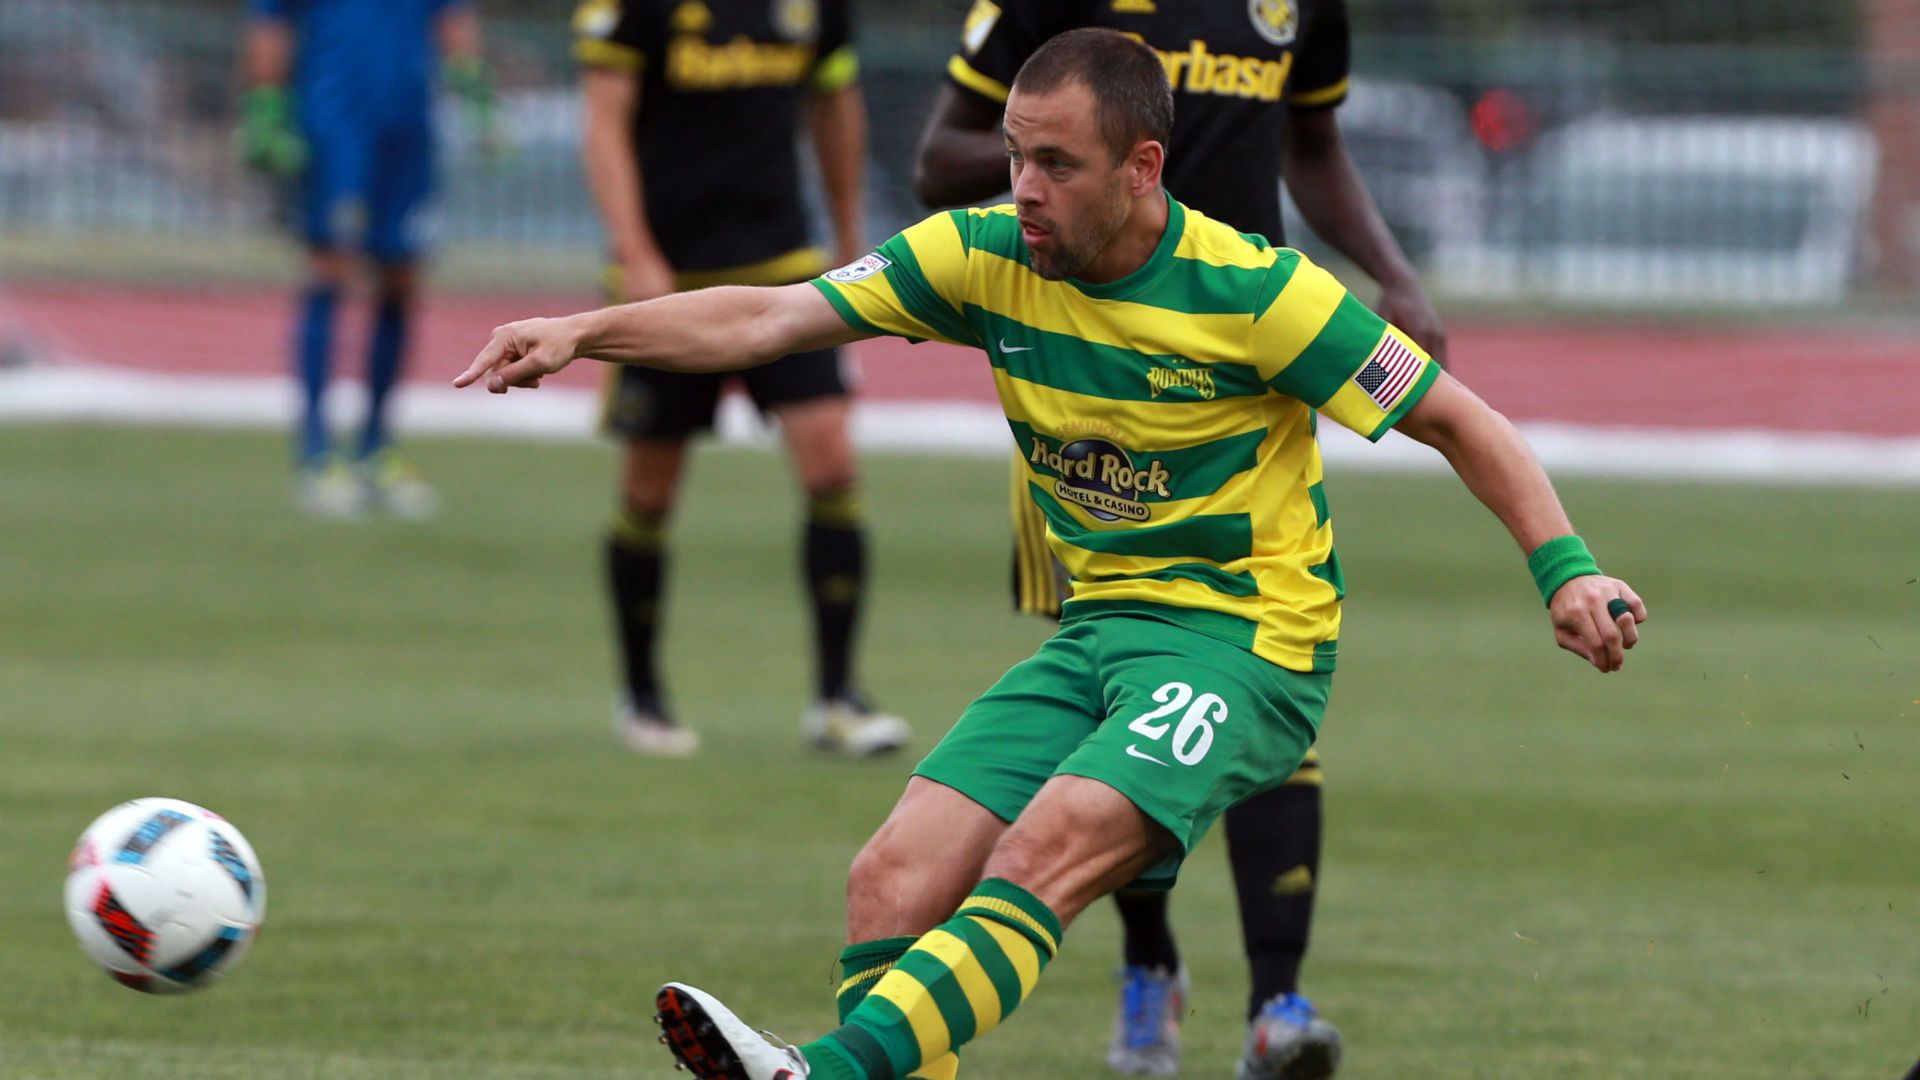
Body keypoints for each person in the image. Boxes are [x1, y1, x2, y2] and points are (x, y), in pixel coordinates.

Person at [454, 29, 1647, 1080]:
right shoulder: (984, 254)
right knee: (891, 880)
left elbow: (1458, 418)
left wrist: (1567, 570)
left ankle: (821, 1074)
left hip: (1250, 645)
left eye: (1057, 165)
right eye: (1017, 156)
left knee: (1046, 848)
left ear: (1142, 170)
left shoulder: (1259, 293)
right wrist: (584, 330)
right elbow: (770, 314)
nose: (1024, 187)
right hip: (1100, 633)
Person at [911, 0, 1446, 1073]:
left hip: (1240, 374)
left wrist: (1393, 270)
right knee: (1120, 695)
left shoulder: (1299, 9)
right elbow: (937, 161)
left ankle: (1277, 1004)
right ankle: (1149, 960)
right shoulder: (1051, 14)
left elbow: (1311, 143)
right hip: (1085, 392)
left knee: (1257, 672)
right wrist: (1066, 173)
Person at [570, 0, 909, 758]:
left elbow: (835, 105)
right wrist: (634, 251)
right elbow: (603, 121)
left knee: (833, 465)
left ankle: (837, 699)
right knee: (649, 492)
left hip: (785, 274)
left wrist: (850, 237)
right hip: (670, 280)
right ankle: (644, 698)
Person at [238, 0, 496, 518]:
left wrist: (475, 91)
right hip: (336, 119)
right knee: (331, 267)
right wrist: (265, 106)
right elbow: (270, 23)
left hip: (408, 126)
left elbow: (452, 18)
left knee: (402, 277)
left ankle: (376, 448)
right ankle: (316, 454)